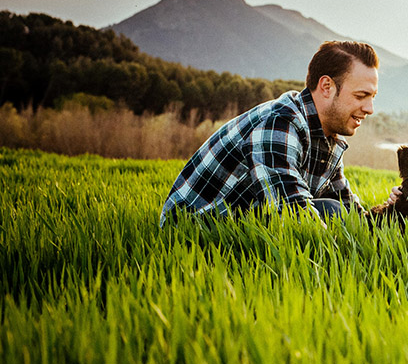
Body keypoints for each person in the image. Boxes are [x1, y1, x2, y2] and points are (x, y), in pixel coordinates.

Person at [160, 40, 379, 226]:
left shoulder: (326, 136)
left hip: (243, 224)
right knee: (331, 213)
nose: (369, 108)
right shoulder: (279, 124)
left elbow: (352, 215)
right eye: (361, 96)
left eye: (372, 97)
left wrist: (398, 214)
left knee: (337, 211)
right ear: (326, 87)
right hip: (192, 232)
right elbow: (292, 213)